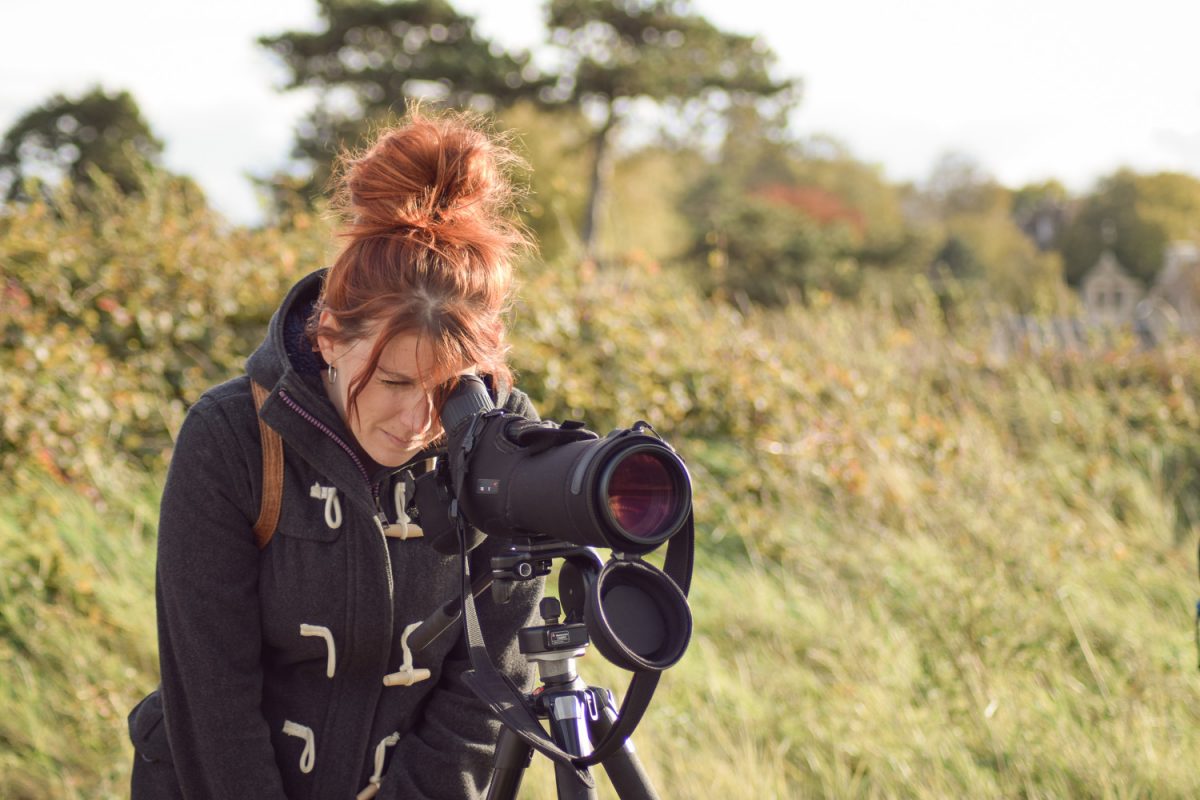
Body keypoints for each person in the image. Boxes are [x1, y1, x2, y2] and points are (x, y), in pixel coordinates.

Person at [127, 112, 544, 799]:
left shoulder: (504, 444)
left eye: (446, 389)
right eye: (395, 380)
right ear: (327, 336)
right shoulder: (230, 436)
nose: (418, 420)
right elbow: (212, 693)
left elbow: (486, 690)